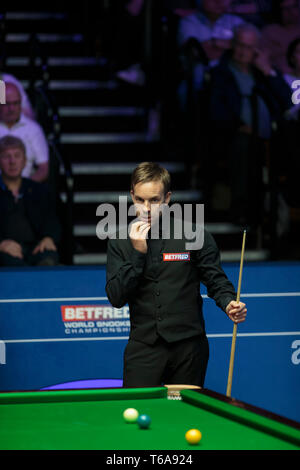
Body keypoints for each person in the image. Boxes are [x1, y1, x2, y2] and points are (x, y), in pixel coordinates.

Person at [105, 162, 247, 388]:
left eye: (154, 200)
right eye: (140, 200)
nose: (147, 208)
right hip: (144, 349)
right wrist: (138, 253)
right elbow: (116, 297)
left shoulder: (194, 235)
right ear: (132, 196)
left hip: (189, 349)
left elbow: (215, 280)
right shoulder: (120, 241)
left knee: (185, 418)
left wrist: (229, 302)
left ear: (167, 198)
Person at [208, 23, 291, 225]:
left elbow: (287, 102)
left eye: (249, 47)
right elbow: (216, 110)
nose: (243, 51)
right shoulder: (221, 72)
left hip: (272, 135)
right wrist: (239, 126)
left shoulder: (264, 71)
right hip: (236, 134)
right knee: (244, 146)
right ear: (232, 45)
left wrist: (268, 71)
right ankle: (243, 211)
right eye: (240, 45)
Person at [0, 135, 60, 267]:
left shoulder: (39, 190)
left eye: (17, 156)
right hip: (5, 251)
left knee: (49, 257)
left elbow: (52, 221)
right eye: (6, 156)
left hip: (35, 248)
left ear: (25, 161)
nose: (12, 161)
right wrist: (1, 244)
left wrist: (48, 238)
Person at [0, 82, 49, 182]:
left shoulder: (33, 129)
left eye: (16, 103)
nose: (11, 109)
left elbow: (43, 169)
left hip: (25, 190)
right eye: (7, 104)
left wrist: (23, 188)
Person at [261, 0, 300, 74]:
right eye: (285, 8)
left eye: (293, 6)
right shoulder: (269, 32)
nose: (290, 12)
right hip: (277, 77)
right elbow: (263, 59)